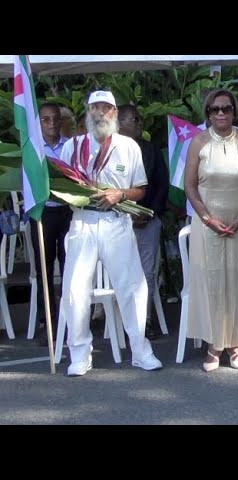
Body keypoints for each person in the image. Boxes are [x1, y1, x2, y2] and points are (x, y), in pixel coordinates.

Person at [59, 90, 163, 376]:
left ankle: (141, 351)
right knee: (75, 290)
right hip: (82, 221)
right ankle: (80, 355)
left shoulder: (128, 147)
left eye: (106, 107)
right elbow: (61, 185)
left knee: (132, 287)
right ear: (88, 112)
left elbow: (141, 189)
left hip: (117, 221)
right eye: (95, 107)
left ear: (114, 113)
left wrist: (120, 194)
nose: (100, 112)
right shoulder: (73, 145)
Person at [184, 89, 238, 372]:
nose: (221, 114)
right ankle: (214, 344)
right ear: (207, 112)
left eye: (226, 109)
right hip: (208, 226)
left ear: (234, 111)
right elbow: (190, 186)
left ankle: (237, 343)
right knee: (212, 283)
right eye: (215, 109)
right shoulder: (198, 142)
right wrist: (206, 218)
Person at [117, 104, 169, 339]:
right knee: (120, 274)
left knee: (146, 274)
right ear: (120, 123)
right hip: (116, 222)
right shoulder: (109, 151)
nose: (140, 124)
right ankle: (120, 324)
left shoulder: (150, 150)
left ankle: (142, 321)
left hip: (147, 220)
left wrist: (146, 213)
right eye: (135, 119)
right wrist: (126, 213)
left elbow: (161, 186)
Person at [31, 103, 73, 346]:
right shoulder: (34, 148)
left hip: (67, 212)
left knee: (69, 267)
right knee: (44, 270)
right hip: (43, 214)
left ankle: (70, 321)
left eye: (55, 119)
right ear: (39, 123)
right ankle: (49, 322)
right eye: (46, 120)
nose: (51, 124)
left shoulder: (69, 146)